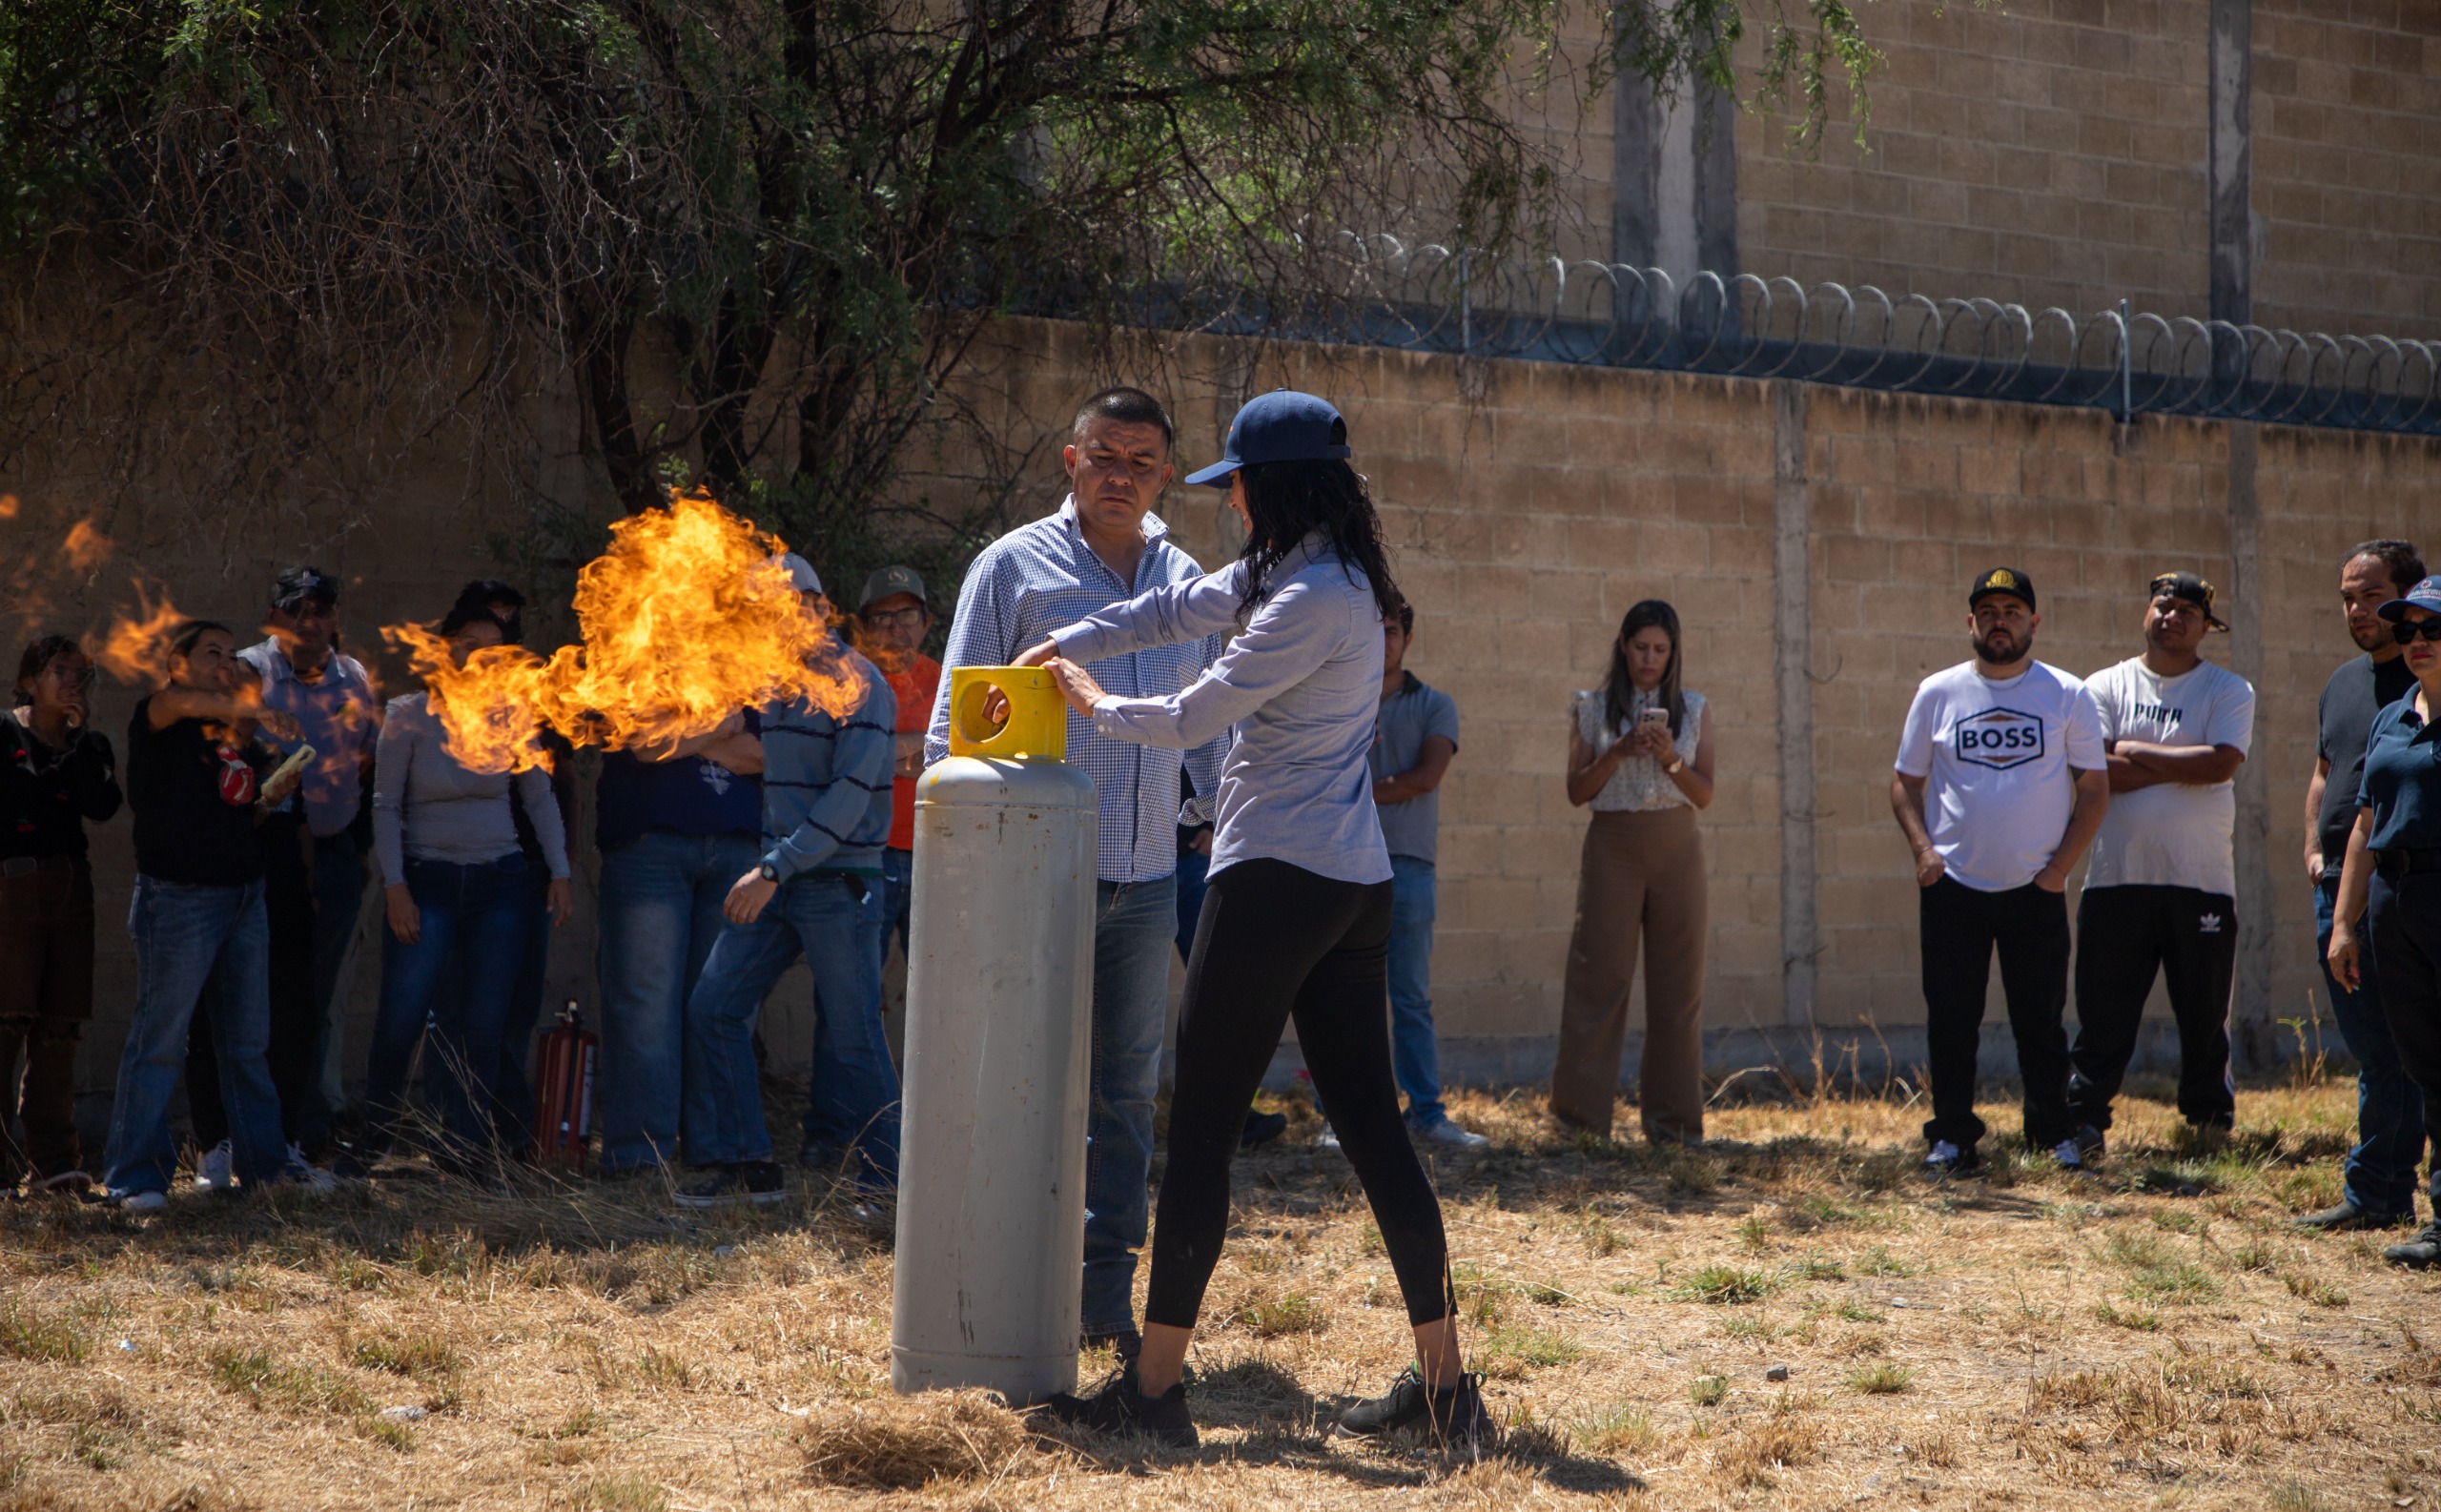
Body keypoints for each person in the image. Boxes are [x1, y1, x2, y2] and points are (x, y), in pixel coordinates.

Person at [1035, 389, 1491, 1449]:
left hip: (1276, 880)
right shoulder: (1297, 568)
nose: (1225, 497)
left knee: (1199, 1129)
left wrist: (1091, 703)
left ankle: (1150, 1394)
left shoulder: (1313, 596)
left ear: (1270, 483)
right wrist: (1062, 638)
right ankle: (1445, 1392)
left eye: (1233, 480)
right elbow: (1169, 611)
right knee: (1375, 1132)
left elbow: (1199, 710)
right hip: (1345, 885)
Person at [924, 386, 1226, 1355]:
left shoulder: (1187, 580)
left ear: (1165, 474)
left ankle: (1103, 1300)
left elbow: (1209, 733)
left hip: (1145, 882)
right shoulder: (1012, 568)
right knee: (1020, 1080)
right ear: (1069, 459)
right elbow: (950, 727)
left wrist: (1215, 823)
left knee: (1127, 1094)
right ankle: (1008, 1281)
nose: (1120, 476)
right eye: (1105, 456)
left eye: (1142, 462)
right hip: (1031, 882)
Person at [675, 555, 899, 1207]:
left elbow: (850, 795)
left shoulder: (859, 683)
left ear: (817, 607)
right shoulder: (773, 685)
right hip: (780, 876)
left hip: (836, 884)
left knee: (855, 1036)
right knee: (712, 1009)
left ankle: (892, 1186)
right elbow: (761, 763)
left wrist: (774, 867)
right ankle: (748, 1166)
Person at [102, 620, 327, 1212]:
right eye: (212, 653)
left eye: (233, 656)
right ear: (176, 663)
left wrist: (270, 798)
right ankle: (134, 1178)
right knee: (160, 1040)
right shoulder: (162, 709)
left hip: (243, 895)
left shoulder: (238, 741)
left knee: (247, 1045)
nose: (226, 664)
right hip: (178, 897)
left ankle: (264, 1171)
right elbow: (184, 701)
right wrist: (256, 706)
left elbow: (236, 819)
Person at [1890, 568, 2109, 1175]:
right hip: (1953, 887)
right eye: (1988, 611)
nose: (2000, 620)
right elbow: (1905, 782)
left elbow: (2093, 789)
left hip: (2035, 888)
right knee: (1951, 1021)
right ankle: (1952, 1138)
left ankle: (2052, 1134)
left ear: (2033, 622)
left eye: (2012, 610)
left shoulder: (2066, 695)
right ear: (1971, 624)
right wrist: (1923, 853)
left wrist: (2060, 867)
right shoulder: (1938, 692)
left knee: (2040, 1022)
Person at [359, 603, 573, 1177]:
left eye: (493, 648)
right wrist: (396, 886)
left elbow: (537, 798)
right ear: (443, 649)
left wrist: (560, 871)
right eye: (469, 644)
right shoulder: (409, 715)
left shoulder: (512, 716)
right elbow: (383, 806)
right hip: (426, 880)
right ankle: (371, 1140)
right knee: (403, 1018)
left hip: (498, 881)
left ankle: (468, 1149)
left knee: (483, 1023)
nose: (482, 657)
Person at [2063, 572, 2256, 1158]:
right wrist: (2179, 763)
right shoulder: (2103, 686)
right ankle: (2084, 1119)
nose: (2172, 618)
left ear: (2206, 626)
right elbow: (2095, 773)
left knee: (2203, 1013)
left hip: (2200, 881)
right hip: (2117, 878)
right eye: (2163, 606)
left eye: (2187, 613)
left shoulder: (2228, 690)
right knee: (2104, 1010)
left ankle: (2208, 1122)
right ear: (2148, 613)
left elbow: (2220, 765)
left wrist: (2134, 749)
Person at [1549, 600, 1716, 1144]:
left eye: (1661, 650)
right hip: (1613, 844)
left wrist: (1670, 758)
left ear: (1673, 654)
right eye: (1641, 647)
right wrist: (1618, 751)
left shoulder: (1693, 708)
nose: (1650, 659)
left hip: (1677, 844)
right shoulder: (1592, 707)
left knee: (1677, 988)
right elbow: (1577, 792)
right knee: (1598, 981)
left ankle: (1674, 1128)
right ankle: (1580, 1124)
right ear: (1623, 646)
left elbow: (1705, 794)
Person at [2298, 540, 2430, 1232]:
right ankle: (2378, 1189)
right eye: (2348, 597)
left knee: (2403, 1049)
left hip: (2404, 889)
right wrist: (2311, 846)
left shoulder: (2424, 681)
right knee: (2375, 1048)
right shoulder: (2345, 683)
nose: (2359, 610)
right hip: (2341, 892)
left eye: (2373, 596)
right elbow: (2326, 772)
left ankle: (2382, 1190)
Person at [237, 566, 380, 1154]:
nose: (309, 622)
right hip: (265, 854)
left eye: (321, 610)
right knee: (261, 993)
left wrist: (355, 846)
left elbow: (367, 762)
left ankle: (308, 1129)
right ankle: (251, 1128)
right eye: (297, 610)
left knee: (319, 998)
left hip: (335, 853)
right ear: (276, 616)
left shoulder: (354, 679)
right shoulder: (252, 670)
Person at [593, 691, 764, 1175]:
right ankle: (639, 1159)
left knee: (718, 1005)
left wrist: (685, 736)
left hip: (736, 851)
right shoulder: (636, 657)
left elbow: (762, 755)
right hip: (649, 846)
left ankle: (711, 1152)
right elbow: (645, 745)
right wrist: (719, 729)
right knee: (645, 1004)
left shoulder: (749, 670)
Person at [2328, 575, 2441, 1269]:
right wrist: (2345, 922)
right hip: (2396, 901)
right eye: (2408, 631)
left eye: (2432, 630)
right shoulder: (2394, 716)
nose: (2417, 642)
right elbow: (2365, 820)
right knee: (2426, 1066)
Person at [184, 659, 325, 1187]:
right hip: (221, 901)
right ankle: (214, 1145)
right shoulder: (200, 755)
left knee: (291, 1020)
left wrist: (309, 890)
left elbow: (300, 831)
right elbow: (217, 827)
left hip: (282, 901)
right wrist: (261, 808)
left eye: (250, 686)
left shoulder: (274, 755)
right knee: (210, 1024)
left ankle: (280, 1142)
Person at [1351, 597, 1481, 1149]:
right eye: (1373, 630)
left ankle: (1426, 1113)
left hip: (1407, 865)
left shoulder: (1434, 704)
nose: (1384, 641)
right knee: (1344, 997)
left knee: (1408, 996)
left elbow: (1426, 776)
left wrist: (1354, 792)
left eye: (1393, 631)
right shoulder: (1339, 701)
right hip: (1344, 862)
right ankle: (1342, 1119)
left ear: (1408, 638)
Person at [0, 637, 119, 1195]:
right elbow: (21, 794)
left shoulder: (87, 744)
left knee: (60, 1026)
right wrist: (62, 759)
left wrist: (77, 747)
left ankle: (53, 1161)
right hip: (14, 885)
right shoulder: (6, 734)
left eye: (81, 672)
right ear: (28, 681)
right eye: (59, 669)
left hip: (72, 885)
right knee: (7, 1019)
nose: (73, 680)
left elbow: (101, 805)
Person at [854, 564, 940, 980]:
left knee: (942, 991)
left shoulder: (947, 683)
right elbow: (847, 760)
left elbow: (955, 766)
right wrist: (923, 741)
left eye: (906, 615)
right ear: (863, 626)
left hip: (937, 858)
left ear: (927, 623)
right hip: (865, 855)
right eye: (883, 618)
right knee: (852, 991)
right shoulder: (847, 683)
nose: (895, 628)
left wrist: (883, 752)